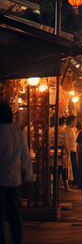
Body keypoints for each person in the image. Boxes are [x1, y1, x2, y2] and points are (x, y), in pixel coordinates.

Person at [0, 103, 34, 244]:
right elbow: (26, 158)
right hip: (14, 181)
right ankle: (17, 238)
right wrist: (30, 179)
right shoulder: (18, 134)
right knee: (14, 213)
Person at [50, 117, 73, 192]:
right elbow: (65, 144)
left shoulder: (50, 131)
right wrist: (69, 154)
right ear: (63, 123)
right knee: (65, 167)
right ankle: (67, 187)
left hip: (51, 155)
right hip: (61, 155)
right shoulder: (63, 132)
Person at [65, 115, 78, 185]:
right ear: (71, 122)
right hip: (70, 150)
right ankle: (71, 182)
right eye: (75, 121)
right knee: (72, 166)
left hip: (73, 150)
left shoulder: (71, 129)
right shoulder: (66, 130)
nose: (76, 123)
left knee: (73, 166)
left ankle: (73, 182)